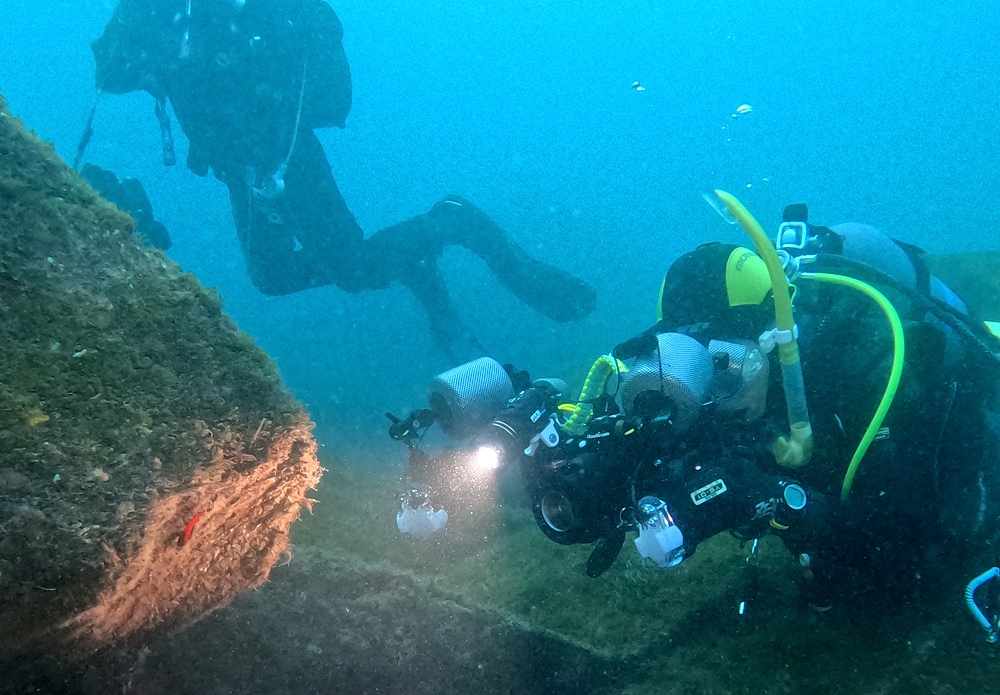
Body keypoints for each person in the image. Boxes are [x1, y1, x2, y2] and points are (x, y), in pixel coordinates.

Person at [390, 201, 1000, 610]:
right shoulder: (718, 401)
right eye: (690, 364)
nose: (708, 389)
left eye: (725, 367)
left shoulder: (880, 381)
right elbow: (621, 482)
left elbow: (934, 551)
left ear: (777, 341)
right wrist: (532, 442)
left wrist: (780, 501)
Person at [88, 0, 596, 358]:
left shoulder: (242, 12)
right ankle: (404, 256)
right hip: (238, 167)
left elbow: (324, 93)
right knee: (271, 276)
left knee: (353, 270)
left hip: (286, 154)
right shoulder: (165, 13)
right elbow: (111, 73)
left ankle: (452, 222)